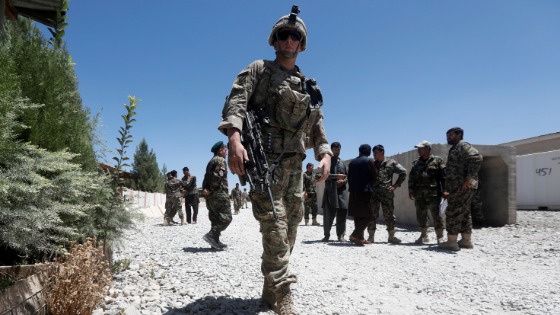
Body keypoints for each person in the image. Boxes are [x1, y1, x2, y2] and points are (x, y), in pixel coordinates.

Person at [218, 6, 332, 314]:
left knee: (290, 228)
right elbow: (236, 103)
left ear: (301, 43)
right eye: (283, 35)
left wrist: (325, 155)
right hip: (265, 164)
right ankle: (283, 293)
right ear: (275, 40)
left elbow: (318, 125)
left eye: (295, 36)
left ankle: (269, 288)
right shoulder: (259, 70)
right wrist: (234, 139)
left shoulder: (309, 86)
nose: (289, 40)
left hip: (295, 167)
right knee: (275, 226)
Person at [439, 127, 483, 251]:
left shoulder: (463, 146)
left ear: (459, 135)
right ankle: (466, 240)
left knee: (453, 211)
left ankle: (451, 241)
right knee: (465, 212)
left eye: (450, 135)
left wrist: (469, 178)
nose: (448, 137)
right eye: (447, 135)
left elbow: (477, 158)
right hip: (459, 186)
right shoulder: (456, 148)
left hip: (461, 187)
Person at [408, 141, 446, 244]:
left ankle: (440, 237)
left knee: (437, 215)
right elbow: (412, 178)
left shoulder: (438, 161)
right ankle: (424, 236)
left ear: (428, 149)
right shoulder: (416, 163)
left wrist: (445, 190)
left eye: (421, 148)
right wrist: (411, 190)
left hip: (434, 194)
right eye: (418, 148)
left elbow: (444, 177)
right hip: (419, 194)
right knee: (421, 215)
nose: (419, 150)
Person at [367, 145, 406, 244]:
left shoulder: (391, 163)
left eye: (376, 152)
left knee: (389, 215)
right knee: (372, 214)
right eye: (373, 153)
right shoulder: (372, 163)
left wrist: (395, 185)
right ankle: (371, 236)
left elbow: (403, 172)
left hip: (386, 194)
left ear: (382, 152)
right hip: (374, 193)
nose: (374, 155)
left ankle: (391, 236)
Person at [201, 141, 233, 251]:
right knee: (226, 217)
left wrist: (206, 189)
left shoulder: (211, 161)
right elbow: (217, 177)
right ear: (220, 150)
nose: (226, 152)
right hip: (218, 193)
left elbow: (206, 177)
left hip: (211, 194)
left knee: (215, 218)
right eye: (225, 150)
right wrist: (210, 189)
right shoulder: (220, 160)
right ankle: (211, 235)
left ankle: (214, 241)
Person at [347, 144, 377, 246]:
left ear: (359, 151)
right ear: (369, 152)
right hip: (365, 191)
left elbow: (349, 177)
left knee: (358, 214)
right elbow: (375, 176)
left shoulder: (352, 162)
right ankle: (355, 235)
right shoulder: (369, 161)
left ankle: (360, 239)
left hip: (353, 191)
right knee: (369, 215)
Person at [322, 142, 349, 242]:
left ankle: (341, 235)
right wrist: (336, 176)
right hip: (330, 191)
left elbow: (347, 176)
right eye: (335, 149)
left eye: (339, 149)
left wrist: (343, 181)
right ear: (331, 149)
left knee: (342, 213)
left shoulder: (343, 163)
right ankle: (326, 235)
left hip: (342, 192)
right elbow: (325, 175)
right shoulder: (327, 162)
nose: (337, 151)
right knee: (328, 214)